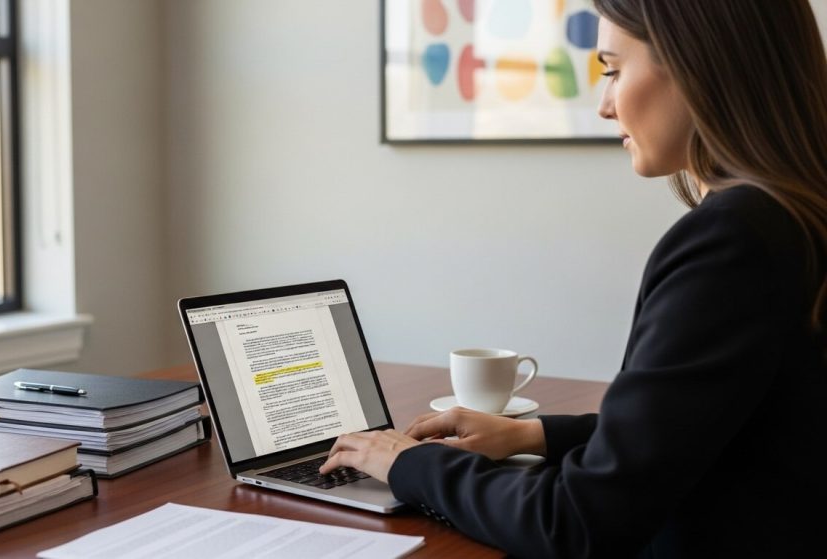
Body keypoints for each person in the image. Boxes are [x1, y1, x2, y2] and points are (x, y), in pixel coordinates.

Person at [320, 1, 827, 557]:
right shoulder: (798, 219)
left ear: (697, 64)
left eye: (612, 69)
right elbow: (718, 427)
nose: (605, 105)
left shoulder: (732, 242)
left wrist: (409, 464)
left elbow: (577, 523)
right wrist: (535, 435)